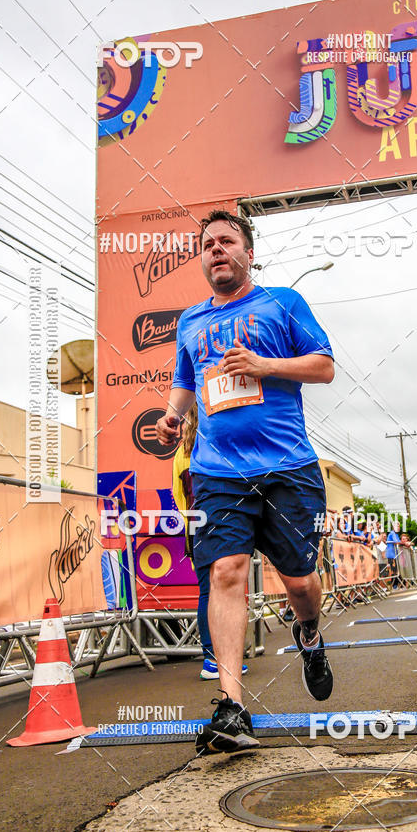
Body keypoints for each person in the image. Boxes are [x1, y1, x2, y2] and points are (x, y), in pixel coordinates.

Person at [155, 209, 335, 754]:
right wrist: (172, 418)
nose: (215, 250)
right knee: (227, 571)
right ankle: (233, 708)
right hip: (217, 472)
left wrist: (264, 365)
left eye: (226, 241)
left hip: (287, 466)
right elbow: (184, 386)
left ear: (247, 252)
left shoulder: (283, 302)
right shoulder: (189, 322)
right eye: (207, 244)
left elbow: (324, 366)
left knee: (300, 581)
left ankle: (308, 633)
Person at [172, 405, 248, 681]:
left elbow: (178, 497)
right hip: (226, 521)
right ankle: (222, 659)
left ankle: (214, 658)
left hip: (196, 526)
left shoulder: (180, 455)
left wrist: (191, 521)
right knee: (226, 590)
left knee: (208, 591)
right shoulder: (218, 446)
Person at [386, 523, 401, 589]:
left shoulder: (396, 534)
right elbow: (396, 542)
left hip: (395, 554)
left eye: (399, 526)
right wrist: (405, 543)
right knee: (394, 571)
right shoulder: (392, 533)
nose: (398, 527)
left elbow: (399, 542)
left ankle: (396, 585)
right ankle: (394, 586)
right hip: (391, 555)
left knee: (397, 570)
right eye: (396, 526)